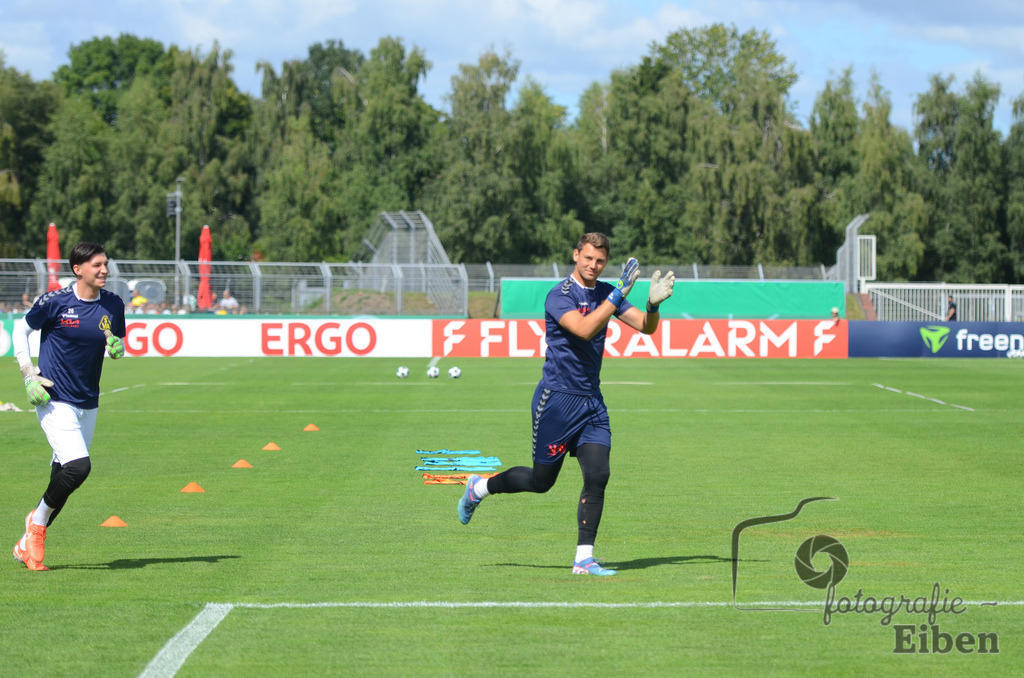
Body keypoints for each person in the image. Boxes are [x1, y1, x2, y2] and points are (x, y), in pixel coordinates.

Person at [457, 232, 675, 576]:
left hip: (591, 403)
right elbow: (585, 328)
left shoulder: (606, 293)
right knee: (542, 482)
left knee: (598, 474)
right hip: (557, 401)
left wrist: (652, 305)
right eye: (588, 258)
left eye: (600, 261)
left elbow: (646, 329)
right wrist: (619, 293)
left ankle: (584, 559)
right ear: (576, 255)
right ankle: (479, 487)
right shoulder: (559, 295)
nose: (593, 265)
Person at [11, 242, 126, 571]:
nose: (104, 270)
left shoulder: (113, 305)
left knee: (62, 475)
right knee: (79, 467)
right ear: (78, 269)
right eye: (97, 265)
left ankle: (24, 545)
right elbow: (22, 329)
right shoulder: (56, 301)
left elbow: (114, 341)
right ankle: (37, 523)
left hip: (88, 400)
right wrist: (28, 374)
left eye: (106, 263)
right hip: (53, 398)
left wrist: (116, 348)